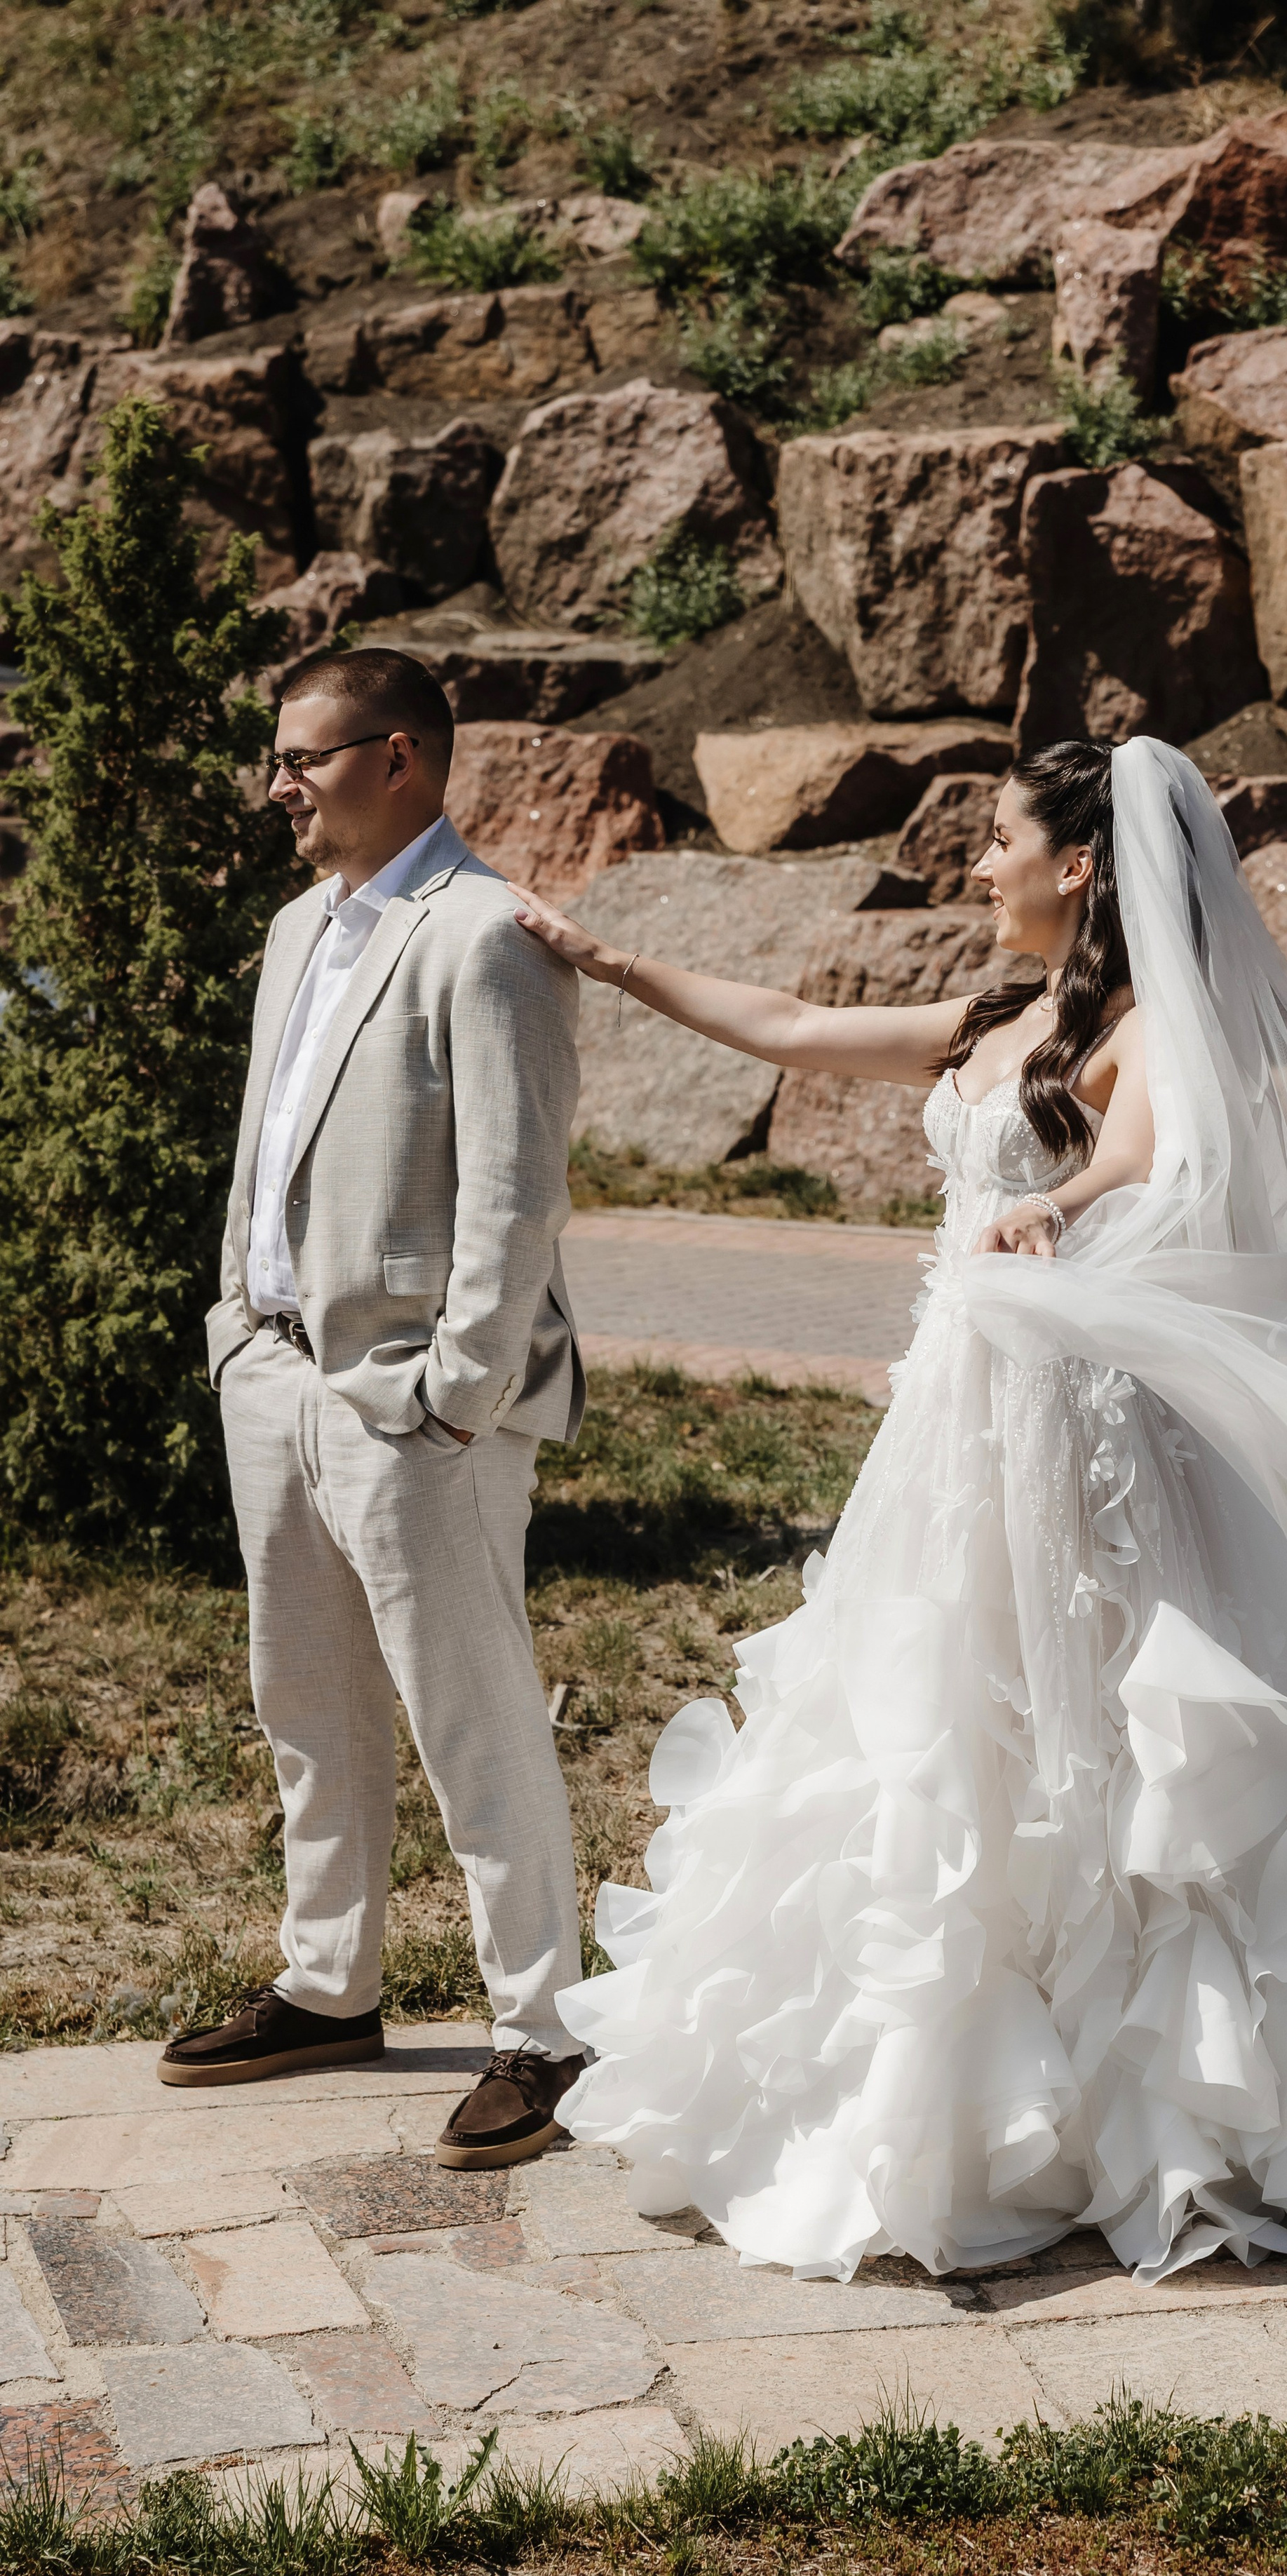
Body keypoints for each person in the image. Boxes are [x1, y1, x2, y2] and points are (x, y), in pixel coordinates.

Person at [512, 736, 1287, 2284]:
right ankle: (986, 2063)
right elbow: (787, 1025)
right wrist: (607, 960)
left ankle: (1175, 2080)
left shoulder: (1147, 1030)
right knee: (948, 1708)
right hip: (959, 1420)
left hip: (1078, 1424)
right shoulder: (991, 1019)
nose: (976, 865)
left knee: (1115, 1725)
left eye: (997, 840)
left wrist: (1049, 1206)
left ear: (1077, 865)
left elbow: (1135, 1153)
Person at [163, 648, 589, 2171]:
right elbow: (267, 1147)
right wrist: (236, 1327)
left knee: (471, 1713)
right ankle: (328, 1983)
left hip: (416, 1399)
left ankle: (544, 2027)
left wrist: (457, 1392)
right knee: (307, 1698)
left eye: (304, 757)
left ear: (397, 757)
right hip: (275, 1373)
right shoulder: (298, 927)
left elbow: (516, 1189)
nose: (278, 784)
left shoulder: (483, 935)